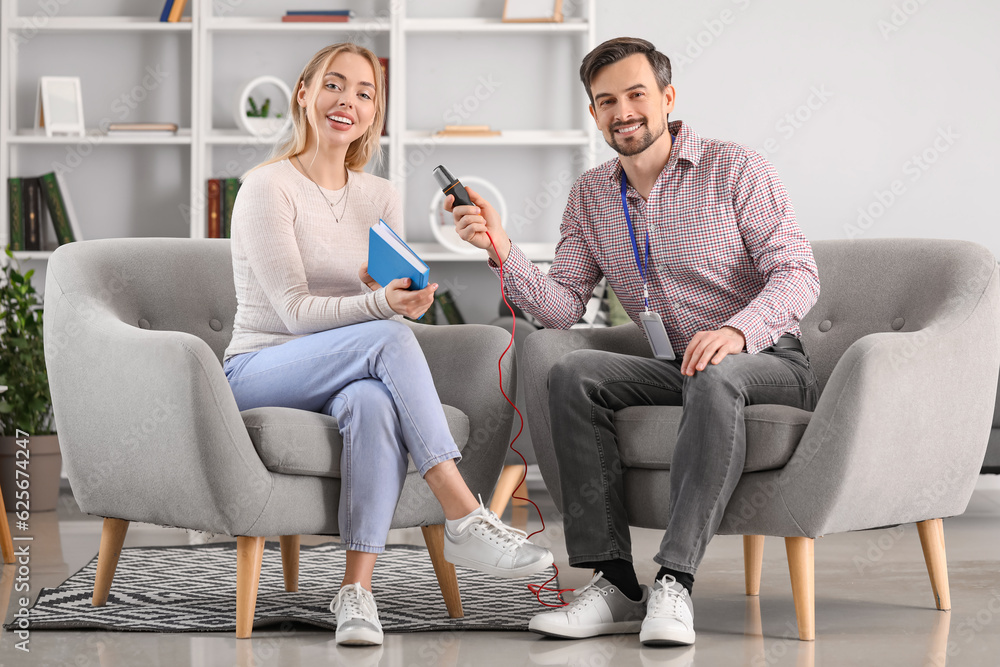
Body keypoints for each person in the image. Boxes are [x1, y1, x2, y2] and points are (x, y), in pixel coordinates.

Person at [446, 37, 820, 647]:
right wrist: (500, 247)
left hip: (768, 360)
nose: (623, 111)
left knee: (716, 371)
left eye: (636, 94)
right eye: (606, 101)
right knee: (571, 374)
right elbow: (561, 308)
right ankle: (616, 582)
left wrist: (735, 332)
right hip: (678, 367)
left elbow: (799, 273)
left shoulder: (736, 169)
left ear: (667, 98)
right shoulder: (592, 196)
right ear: (593, 114)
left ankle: (675, 579)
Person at [221, 43, 553, 647]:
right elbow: (294, 313)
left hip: (344, 368)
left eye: (365, 92)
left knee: (374, 401)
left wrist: (399, 291)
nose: (348, 100)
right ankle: (463, 514)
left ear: (375, 114)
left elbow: (376, 289)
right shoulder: (266, 188)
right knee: (387, 336)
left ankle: (357, 592)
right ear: (304, 93)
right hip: (260, 367)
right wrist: (381, 307)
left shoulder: (379, 196)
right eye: (334, 85)